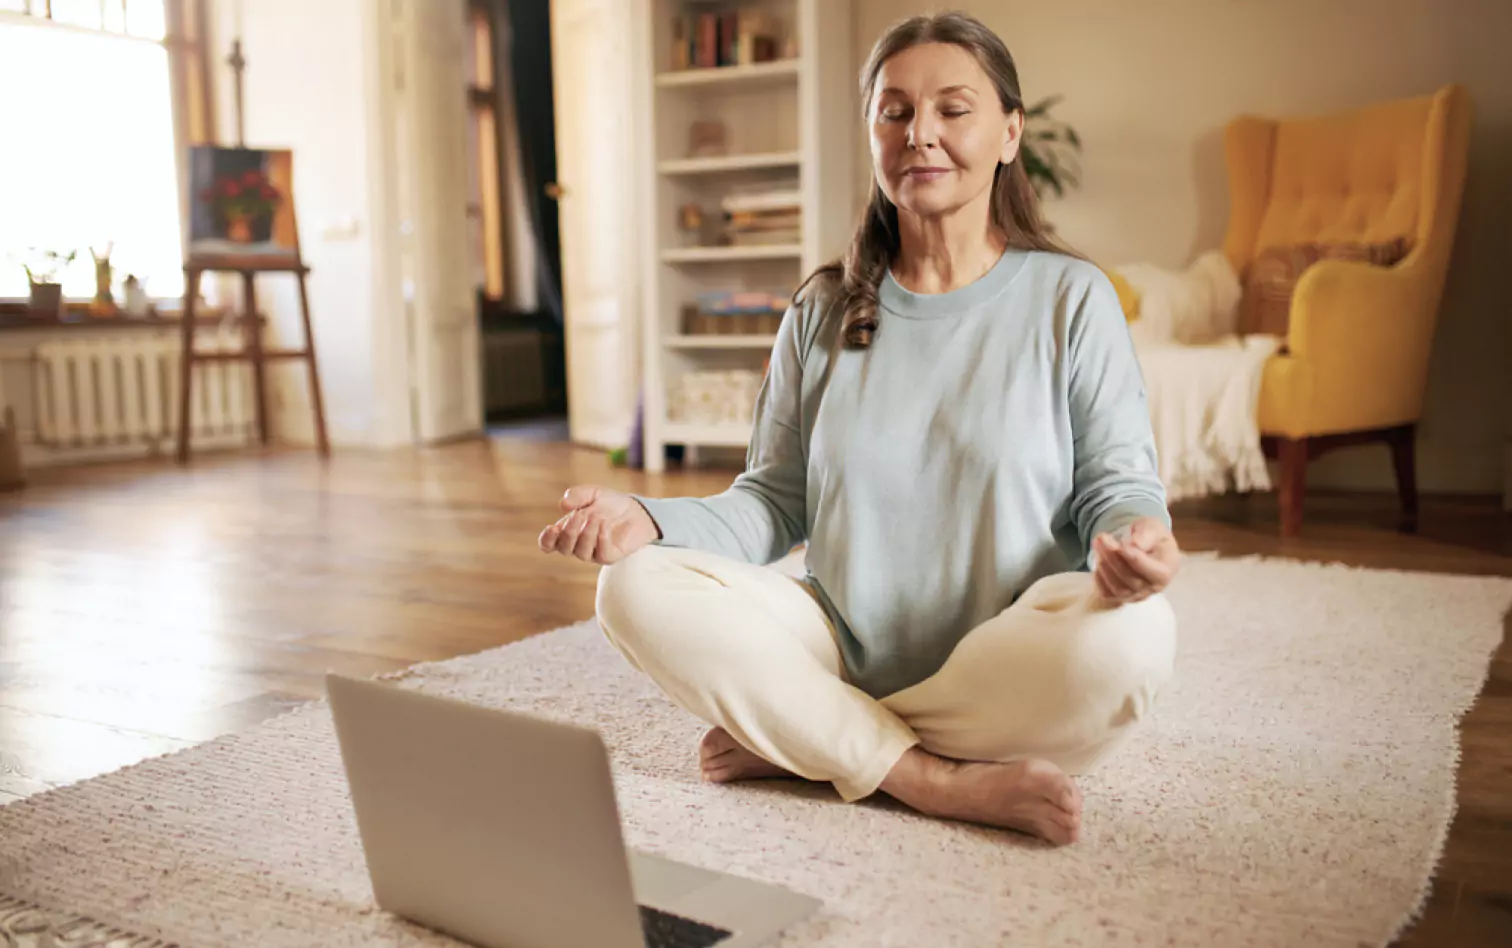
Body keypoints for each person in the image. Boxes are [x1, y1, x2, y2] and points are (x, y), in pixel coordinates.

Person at [538, 11, 1180, 847]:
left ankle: (818, 737)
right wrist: (648, 520)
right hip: (839, 645)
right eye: (895, 111)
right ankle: (927, 778)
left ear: (1009, 132)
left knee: (1133, 644)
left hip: (1007, 659)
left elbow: (1117, 483)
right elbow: (772, 503)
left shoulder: (1071, 297)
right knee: (630, 587)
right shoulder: (823, 307)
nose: (921, 134)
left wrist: (1139, 542)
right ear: (872, 131)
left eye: (954, 110)